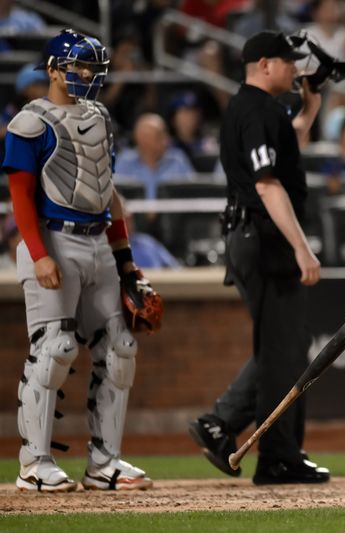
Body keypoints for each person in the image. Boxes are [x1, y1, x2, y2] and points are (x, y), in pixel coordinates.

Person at [2, 29, 153, 492]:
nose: (86, 75)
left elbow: (109, 193)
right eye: (77, 67)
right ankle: (34, 462)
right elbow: (20, 195)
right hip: (53, 239)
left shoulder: (101, 117)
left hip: (97, 241)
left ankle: (105, 461)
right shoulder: (30, 122)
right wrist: (39, 253)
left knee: (120, 347)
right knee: (55, 350)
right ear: (53, 69)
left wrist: (127, 261)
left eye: (92, 68)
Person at [188, 30, 329, 485]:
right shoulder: (259, 109)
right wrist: (301, 246)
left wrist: (309, 111)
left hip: (252, 235)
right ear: (265, 64)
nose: (295, 71)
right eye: (288, 63)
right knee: (282, 349)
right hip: (263, 238)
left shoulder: (250, 107)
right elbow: (268, 183)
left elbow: (280, 152)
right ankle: (261, 447)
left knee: (286, 345)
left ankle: (260, 442)